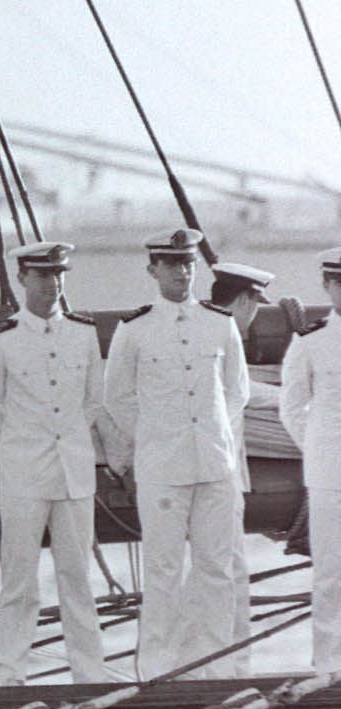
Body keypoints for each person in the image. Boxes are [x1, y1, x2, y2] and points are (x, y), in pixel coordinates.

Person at [104, 228, 249, 680]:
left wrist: (210, 434)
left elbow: (235, 391)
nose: (182, 272)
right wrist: (154, 437)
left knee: (216, 570)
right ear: (154, 270)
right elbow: (118, 397)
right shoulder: (135, 330)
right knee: (163, 571)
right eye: (172, 264)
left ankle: (217, 670)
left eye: (188, 264)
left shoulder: (218, 324)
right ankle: (158, 671)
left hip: (213, 464)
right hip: (162, 468)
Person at [0, 242, 106, 685]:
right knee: (19, 580)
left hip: (74, 474)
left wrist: (66, 442)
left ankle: (90, 673)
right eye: (42, 276)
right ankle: (11, 675)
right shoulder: (1, 339)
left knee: (77, 578)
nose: (52, 285)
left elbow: (93, 401)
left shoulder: (83, 334)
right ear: (23, 279)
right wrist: (17, 451)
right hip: (24, 476)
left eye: (58, 275)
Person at [177, 263, 293, 675]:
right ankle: (201, 671)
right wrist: (293, 395)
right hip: (208, 473)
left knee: (227, 571)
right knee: (217, 572)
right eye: (254, 306)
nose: (253, 317)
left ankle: (228, 668)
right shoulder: (210, 332)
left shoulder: (205, 327)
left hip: (224, 474)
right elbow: (236, 391)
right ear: (245, 301)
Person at [278, 248, 341, 679]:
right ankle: (328, 666)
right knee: (330, 572)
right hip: (330, 474)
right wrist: (319, 449)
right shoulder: (311, 340)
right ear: (327, 285)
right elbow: (291, 407)